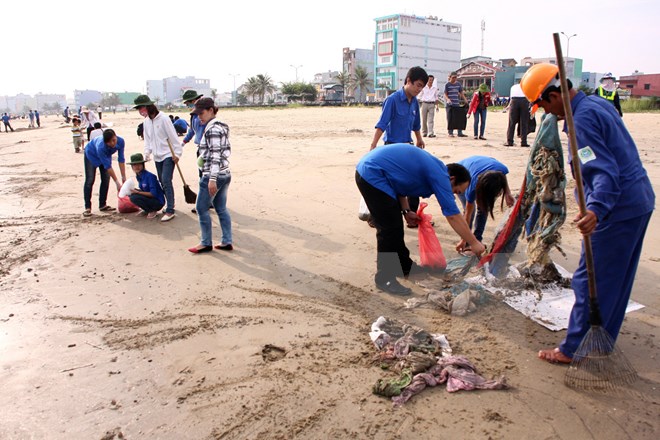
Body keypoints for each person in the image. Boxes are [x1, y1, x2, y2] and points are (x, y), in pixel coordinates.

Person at [519, 63, 655, 364]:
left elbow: (604, 171)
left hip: (617, 207)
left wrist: (596, 208)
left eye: (542, 104)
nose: (545, 112)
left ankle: (573, 348)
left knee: (587, 279)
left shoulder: (582, 120)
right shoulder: (596, 104)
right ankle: (602, 341)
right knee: (617, 277)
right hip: (638, 200)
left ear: (554, 96)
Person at [356, 144, 486, 295]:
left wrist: (406, 211)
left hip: (380, 173)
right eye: (456, 191)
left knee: (396, 226)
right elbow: (452, 214)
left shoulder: (435, 170)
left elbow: (400, 184)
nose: (455, 194)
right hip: (371, 173)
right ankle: (384, 278)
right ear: (452, 179)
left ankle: (404, 266)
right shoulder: (440, 175)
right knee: (389, 229)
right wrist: (474, 242)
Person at [370, 66, 428, 216]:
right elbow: (382, 124)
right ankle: (382, 214)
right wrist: (373, 146)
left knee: (414, 180)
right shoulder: (392, 100)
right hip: (391, 149)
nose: (419, 90)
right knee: (394, 184)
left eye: (422, 87)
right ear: (409, 80)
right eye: (418, 85)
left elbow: (416, 124)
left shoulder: (414, 102)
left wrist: (419, 139)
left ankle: (412, 214)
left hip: (407, 147)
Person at [187, 98, 233, 254]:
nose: (199, 116)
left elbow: (215, 156)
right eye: (197, 113)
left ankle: (206, 242)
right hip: (225, 172)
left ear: (211, 110)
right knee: (220, 208)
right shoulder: (221, 125)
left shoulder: (213, 129)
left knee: (201, 208)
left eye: (202, 112)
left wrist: (211, 179)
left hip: (214, 175)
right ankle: (227, 240)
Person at [134, 94, 182, 222]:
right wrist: (146, 154)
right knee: (161, 181)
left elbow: (174, 138)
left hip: (168, 155)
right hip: (157, 156)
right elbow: (147, 140)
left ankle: (170, 209)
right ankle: (167, 205)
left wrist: (177, 154)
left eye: (142, 108)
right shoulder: (146, 122)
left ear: (149, 106)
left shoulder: (164, 119)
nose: (140, 111)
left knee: (166, 180)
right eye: (138, 109)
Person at [455, 156, 514, 253]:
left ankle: (477, 239)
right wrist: (463, 239)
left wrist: (507, 193)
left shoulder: (501, 170)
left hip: (484, 165)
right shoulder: (470, 187)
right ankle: (468, 241)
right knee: (470, 211)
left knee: (483, 209)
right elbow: (468, 215)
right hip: (462, 173)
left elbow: (502, 177)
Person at [83, 129, 127, 217]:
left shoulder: (121, 141)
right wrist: (117, 182)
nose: (112, 143)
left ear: (115, 136)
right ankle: (87, 207)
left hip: (105, 156)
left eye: (114, 140)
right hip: (91, 155)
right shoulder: (101, 146)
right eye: (109, 142)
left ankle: (102, 204)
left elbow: (121, 159)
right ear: (105, 142)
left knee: (106, 179)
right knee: (90, 179)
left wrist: (123, 177)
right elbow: (107, 166)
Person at [126, 153, 165, 219]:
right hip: (150, 198)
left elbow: (153, 194)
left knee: (134, 197)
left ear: (143, 165)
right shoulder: (139, 176)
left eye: (139, 164)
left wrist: (138, 192)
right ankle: (147, 209)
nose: (137, 166)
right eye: (134, 165)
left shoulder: (150, 176)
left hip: (158, 201)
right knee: (130, 194)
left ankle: (152, 210)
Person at [504, 82, 530, 147]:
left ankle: (509, 141)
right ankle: (523, 142)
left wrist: (508, 106)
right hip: (524, 101)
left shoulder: (513, 87)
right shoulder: (526, 86)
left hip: (514, 101)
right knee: (524, 123)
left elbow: (511, 98)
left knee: (512, 123)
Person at [443, 72, 468, 137]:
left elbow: (461, 93)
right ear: (450, 77)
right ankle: (450, 132)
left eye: (455, 77)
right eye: (453, 77)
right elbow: (445, 94)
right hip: (450, 105)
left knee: (458, 118)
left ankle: (460, 132)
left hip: (456, 103)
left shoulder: (458, 84)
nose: (454, 79)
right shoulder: (447, 85)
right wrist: (448, 99)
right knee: (450, 118)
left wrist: (465, 100)